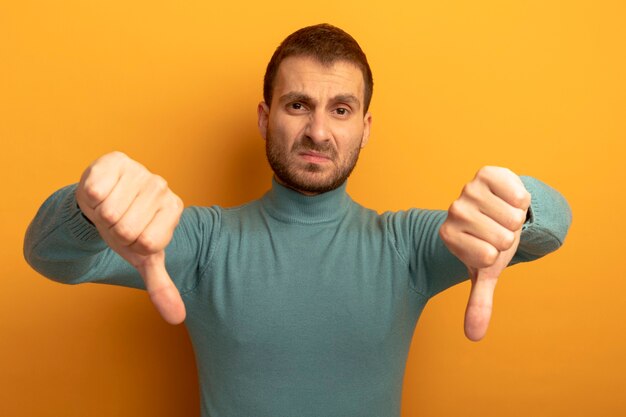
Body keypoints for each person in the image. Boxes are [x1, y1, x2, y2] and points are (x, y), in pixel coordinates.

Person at [24, 23, 572, 417]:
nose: (318, 132)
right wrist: (87, 207)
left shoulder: (409, 245)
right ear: (265, 118)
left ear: (365, 127)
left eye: (340, 109)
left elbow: (553, 231)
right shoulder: (202, 240)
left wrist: (521, 206)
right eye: (297, 105)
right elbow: (49, 257)